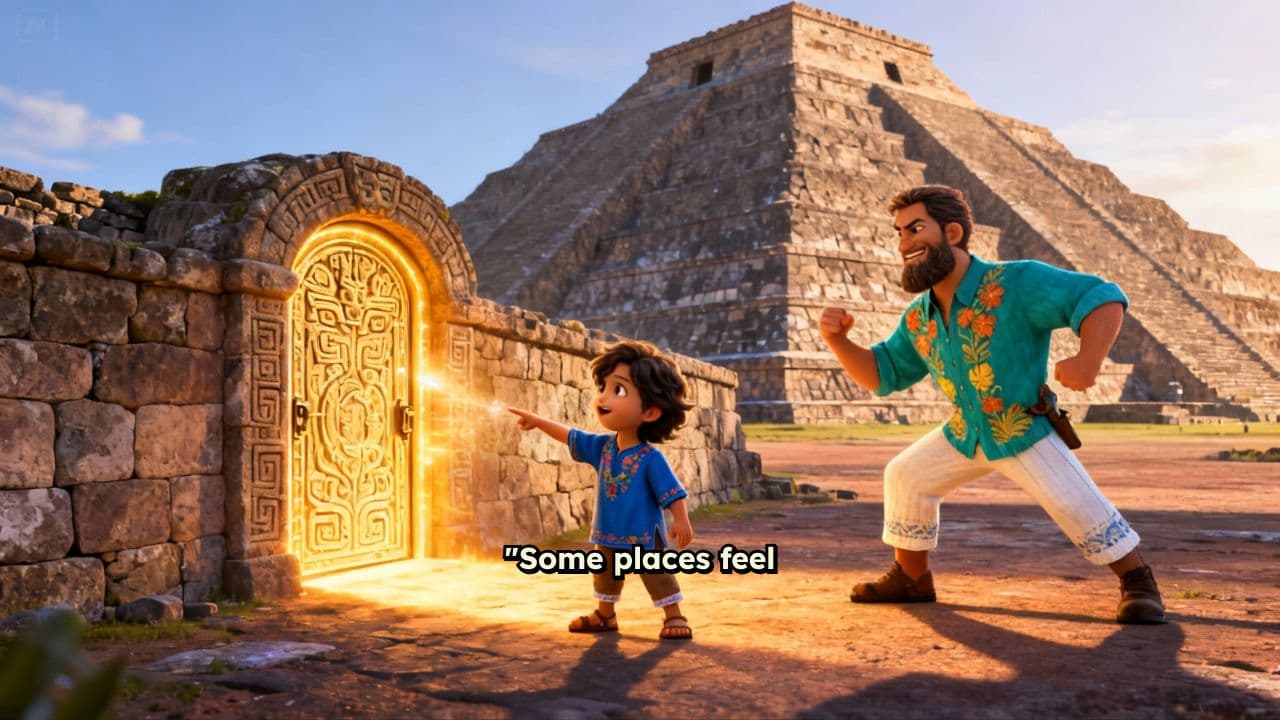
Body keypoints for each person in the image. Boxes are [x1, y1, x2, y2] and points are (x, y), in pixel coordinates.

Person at [819, 184, 1165, 624]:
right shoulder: (918, 316)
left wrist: (1088, 358)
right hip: (965, 431)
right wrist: (838, 341)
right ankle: (912, 578)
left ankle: (1138, 582)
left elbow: (1100, 297)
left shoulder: (1014, 283)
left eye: (915, 230)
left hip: (1021, 427)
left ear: (953, 232)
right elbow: (882, 374)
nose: (904, 244)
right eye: (899, 233)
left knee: (1075, 502)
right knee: (906, 475)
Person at [509, 340, 697, 639]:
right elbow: (570, 435)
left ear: (650, 412)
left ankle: (674, 616)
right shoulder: (603, 448)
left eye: (618, 390)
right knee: (605, 573)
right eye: (604, 388)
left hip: (645, 535)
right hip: (608, 531)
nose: (604, 398)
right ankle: (604, 615)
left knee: (657, 574)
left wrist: (682, 520)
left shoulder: (650, 459)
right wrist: (538, 421)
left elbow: (672, 492)